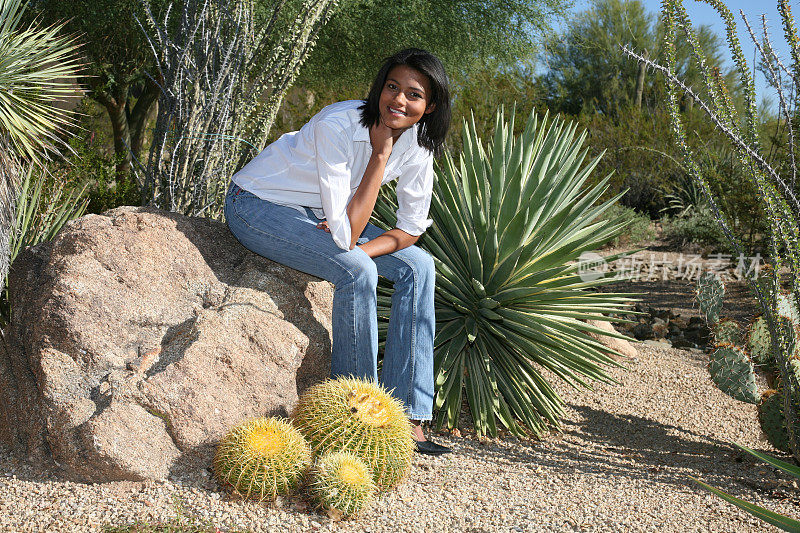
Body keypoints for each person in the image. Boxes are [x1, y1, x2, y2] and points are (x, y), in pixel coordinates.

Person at [224, 48, 452, 455]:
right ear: (379, 88)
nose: (399, 100)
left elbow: (412, 228)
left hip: (324, 215)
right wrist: (380, 156)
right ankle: (357, 416)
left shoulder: (419, 143)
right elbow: (347, 239)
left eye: (413, 94)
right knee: (355, 271)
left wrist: (366, 249)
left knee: (419, 266)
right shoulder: (338, 124)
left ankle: (409, 417)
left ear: (430, 106)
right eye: (392, 87)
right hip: (258, 204)